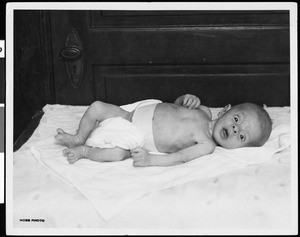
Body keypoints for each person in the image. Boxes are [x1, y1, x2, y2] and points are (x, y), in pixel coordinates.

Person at [54, 94, 272, 167]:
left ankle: (83, 151)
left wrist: (150, 161)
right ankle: (78, 137)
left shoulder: (206, 145)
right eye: (236, 119)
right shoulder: (204, 110)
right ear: (225, 110)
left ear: (241, 147)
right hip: (128, 115)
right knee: (97, 107)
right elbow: (173, 106)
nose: (235, 129)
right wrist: (184, 98)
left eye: (241, 136)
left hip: (134, 136)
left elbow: (179, 158)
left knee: (117, 154)